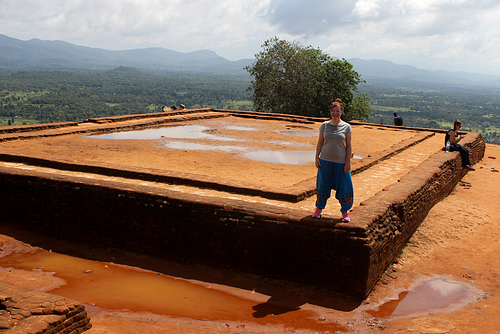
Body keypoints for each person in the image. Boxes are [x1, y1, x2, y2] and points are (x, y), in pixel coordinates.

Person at [312, 98, 354, 221]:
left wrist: (348, 162)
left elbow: (349, 145)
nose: (335, 113)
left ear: (341, 112)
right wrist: (316, 157)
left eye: (338, 111)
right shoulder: (324, 125)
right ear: (330, 111)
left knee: (344, 186)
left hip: (341, 162)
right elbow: (320, 142)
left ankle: (344, 212)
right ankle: (319, 208)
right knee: (323, 185)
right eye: (333, 111)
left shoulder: (346, 127)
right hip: (325, 160)